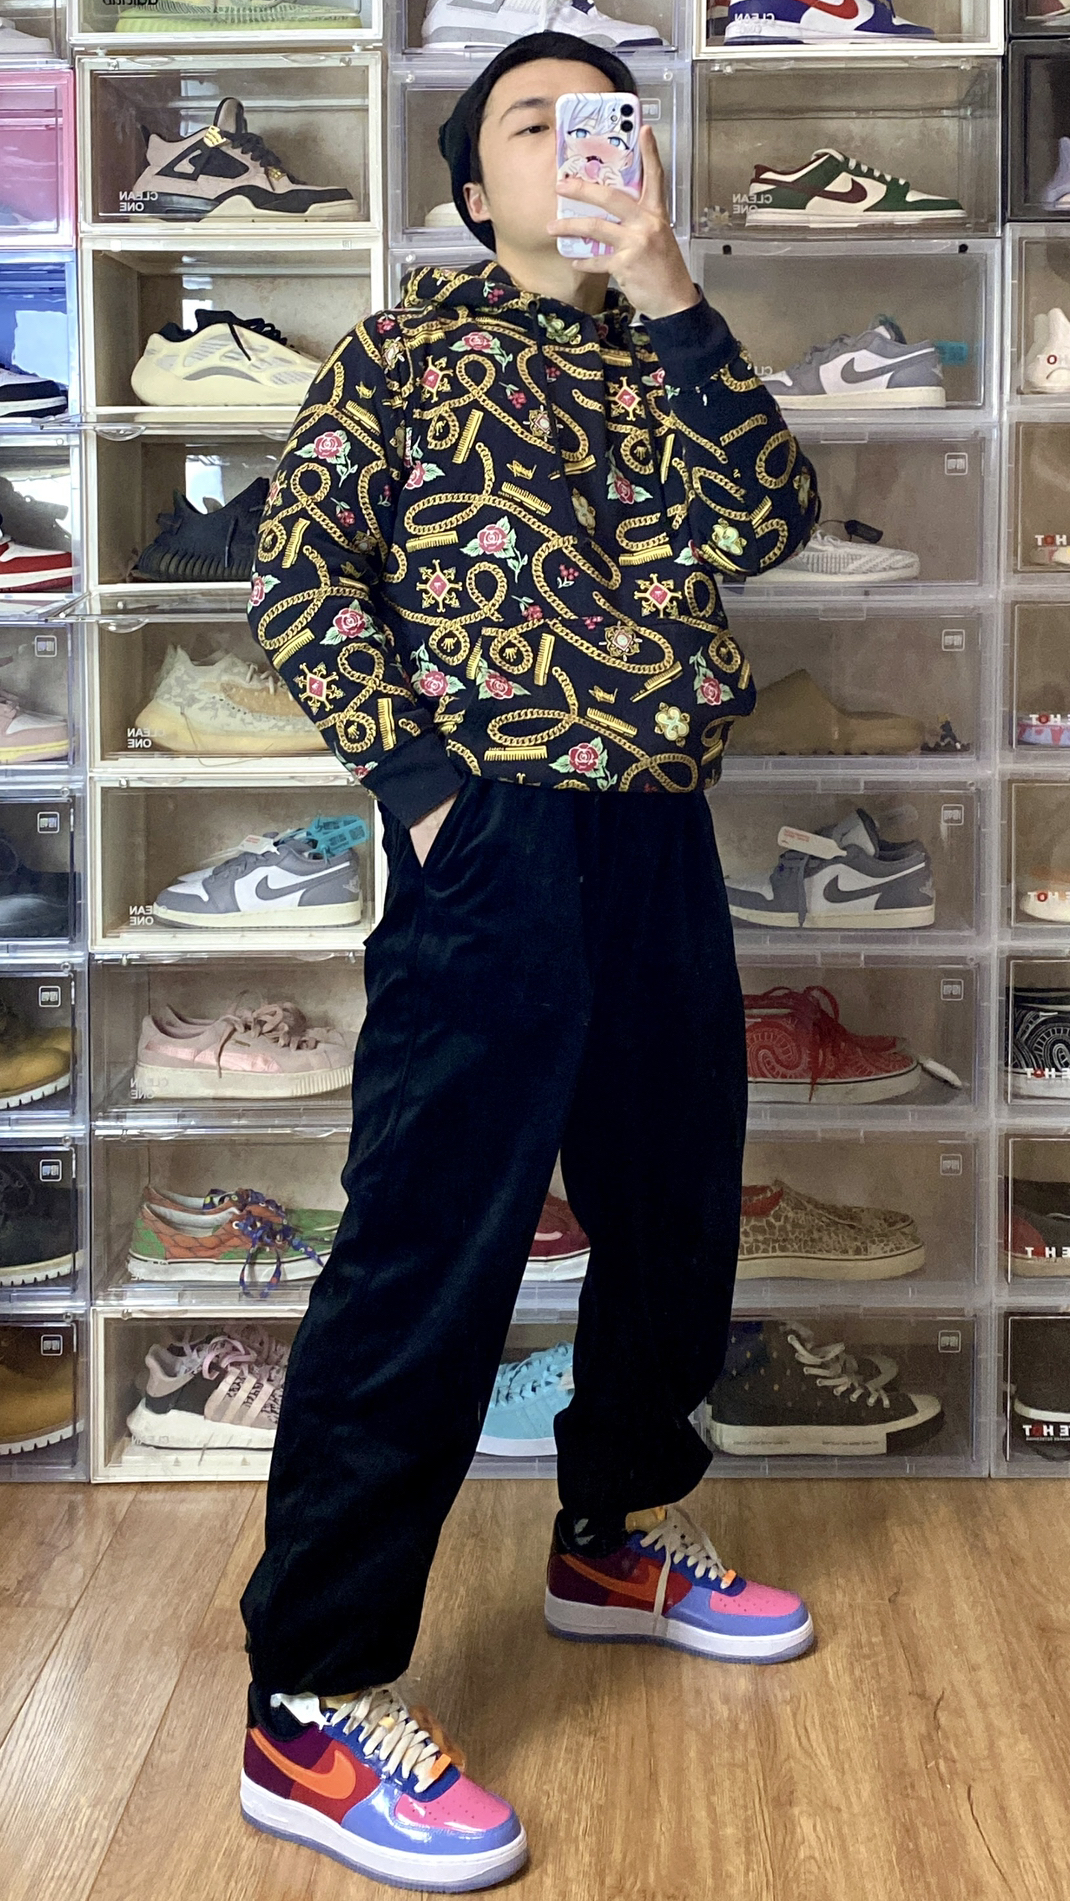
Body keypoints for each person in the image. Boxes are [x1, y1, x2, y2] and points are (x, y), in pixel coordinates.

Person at [239, 32, 820, 1892]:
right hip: (489, 835)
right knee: (427, 1249)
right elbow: (298, 577)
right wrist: (421, 795)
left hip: (657, 832)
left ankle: (612, 1530)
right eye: (529, 122)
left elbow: (769, 521)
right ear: (472, 183)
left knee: (673, 1209)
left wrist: (671, 287)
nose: (575, 146)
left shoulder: (670, 350)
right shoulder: (402, 351)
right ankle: (309, 1699)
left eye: (603, 121)